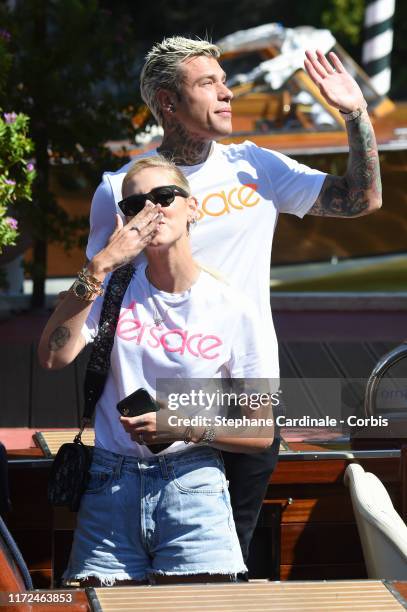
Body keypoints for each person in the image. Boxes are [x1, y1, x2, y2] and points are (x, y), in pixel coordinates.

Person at [85, 36, 382, 564]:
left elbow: (362, 200)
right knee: (145, 567)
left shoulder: (257, 167)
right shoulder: (123, 188)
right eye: (208, 84)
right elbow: (100, 295)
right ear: (167, 102)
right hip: (153, 396)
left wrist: (356, 112)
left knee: (219, 568)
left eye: (225, 82)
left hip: (244, 393)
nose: (227, 94)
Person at [38, 156, 275, 586]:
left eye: (164, 197)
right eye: (135, 205)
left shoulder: (234, 308)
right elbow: (52, 357)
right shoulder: (110, 288)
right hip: (110, 483)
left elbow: (261, 432)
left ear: (193, 208)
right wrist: (99, 265)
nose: (152, 210)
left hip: (193, 484)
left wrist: (182, 427)